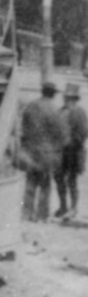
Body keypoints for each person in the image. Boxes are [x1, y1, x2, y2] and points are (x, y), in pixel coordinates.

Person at [21, 81, 69, 222]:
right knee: (45, 184)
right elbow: (62, 135)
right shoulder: (54, 110)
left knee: (30, 183)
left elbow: (23, 129)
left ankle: (27, 213)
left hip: (31, 151)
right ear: (53, 94)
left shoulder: (30, 106)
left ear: (42, 92)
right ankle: (42, 215)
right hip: (47, 153)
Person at [54, 83, 88, 219]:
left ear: (75, 98)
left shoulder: (80, 113)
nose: (67, 99)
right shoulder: (60, 111)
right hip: (60, 152)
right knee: (59, 178)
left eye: (70, 97)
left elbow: (83, 133)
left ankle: (73, 208)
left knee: (72, 180)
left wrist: (72, 142)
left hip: (74, 152)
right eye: (66, 97)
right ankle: (63, 206)